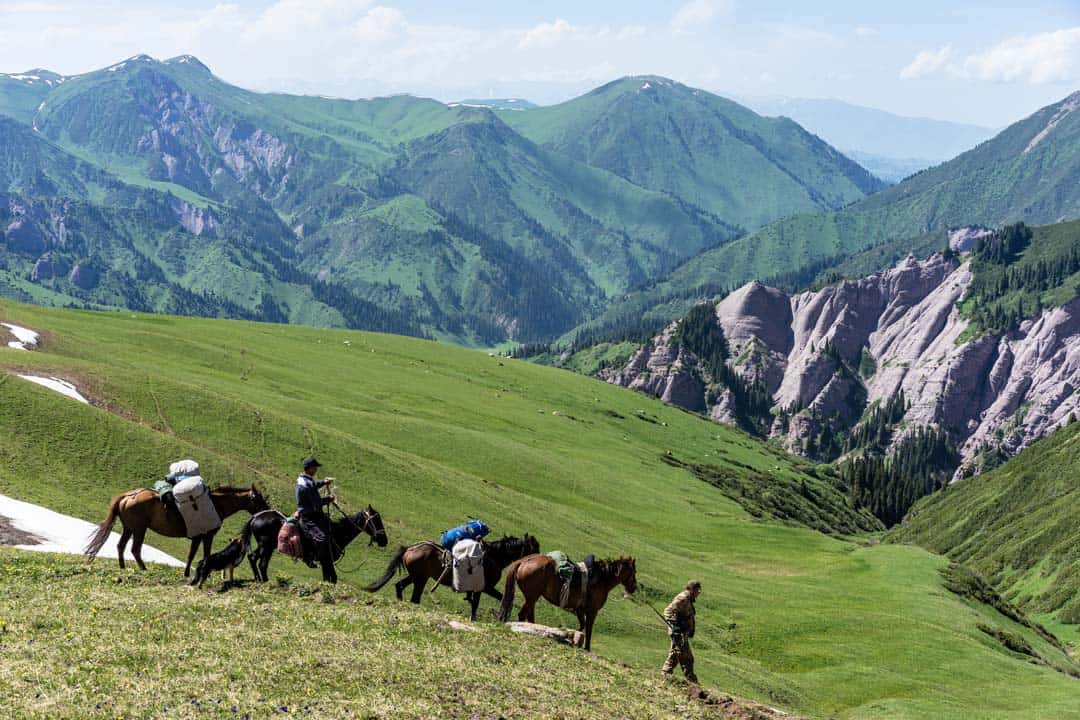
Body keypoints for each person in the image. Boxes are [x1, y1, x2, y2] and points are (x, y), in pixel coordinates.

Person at [295, 457, 334, 567]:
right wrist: (329, 499)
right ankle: (309, 557)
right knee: (322, 538)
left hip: (309, 512)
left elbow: (313, 486)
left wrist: (323, 482)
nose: (316, 469)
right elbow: (317, 503)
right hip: (309, 515)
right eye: (314, 467)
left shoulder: (304, 479)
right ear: (308, 468)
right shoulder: (307, 484)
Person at [661, 580, 701, 684]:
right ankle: (693, 682)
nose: (699, 593)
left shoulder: (689, 599)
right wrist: (675, 627)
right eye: (697, 590)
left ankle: (665, 675)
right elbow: (668, 611)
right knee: (687, 658)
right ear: (691, 590)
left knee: (675, 656)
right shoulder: (682, 598)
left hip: (682, 634)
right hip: (678, 633)